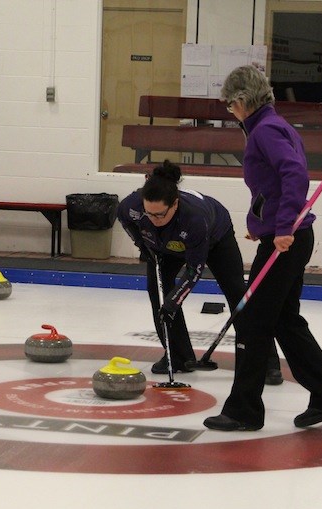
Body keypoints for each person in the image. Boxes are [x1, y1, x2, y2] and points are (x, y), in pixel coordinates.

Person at [203, 65, 322, 431]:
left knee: (253, 321)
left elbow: (294, 175)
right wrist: (262, 225)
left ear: (241, 101)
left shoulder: (265, 130)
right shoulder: (272, 126)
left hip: (288, 240)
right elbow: (271, 187)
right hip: (287, 237)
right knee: (284, 321)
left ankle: (243, 410)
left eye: (229, 106)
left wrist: (282, 227)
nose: (230, 113)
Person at [117, 160, 283, 382]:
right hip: (163, 246)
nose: (154, 220)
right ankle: (177, 355)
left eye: (160, 215)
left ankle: (264, 362)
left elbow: (194, 271)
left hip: (214, 238)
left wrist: (173, 302)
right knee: (157, 293)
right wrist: (143, 246)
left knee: (236, 292)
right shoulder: (132, 207)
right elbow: (125, 220)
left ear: (175, 204)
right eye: (149, 214)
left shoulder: (194, 218)